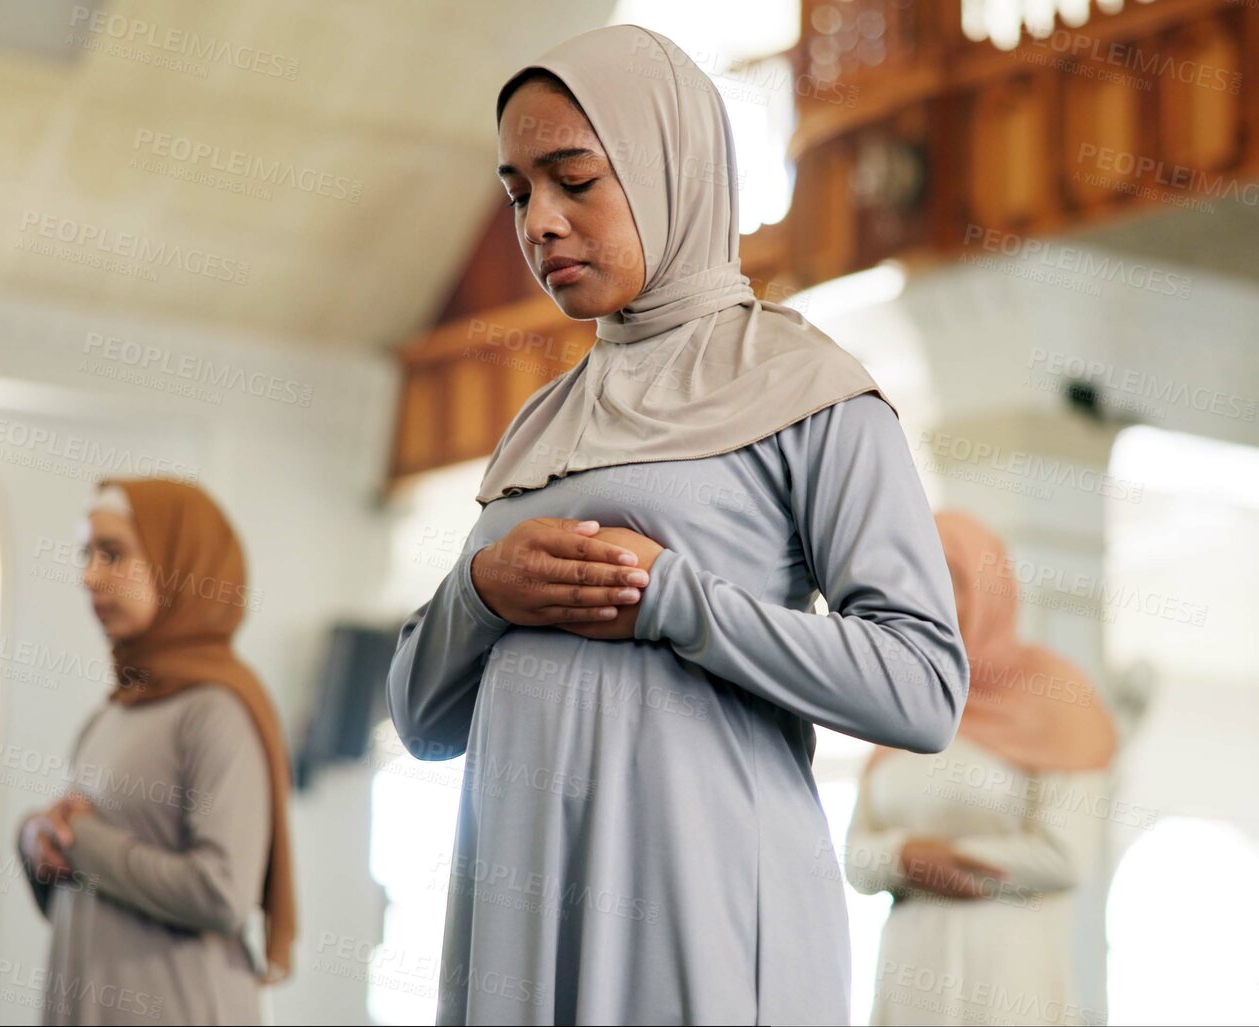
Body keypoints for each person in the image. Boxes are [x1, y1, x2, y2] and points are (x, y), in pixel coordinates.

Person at [386, 25, 969, 1025]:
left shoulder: (803, 385)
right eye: (519, 192)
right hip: (523, 926)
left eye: (574, 179)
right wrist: (480, 596)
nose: (541, 224)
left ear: (671, 170)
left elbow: (922, 688)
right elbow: (423, 719)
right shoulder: (539, 424)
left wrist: (678, 602)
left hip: (701, 905)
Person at [17, 478, 297, 1024]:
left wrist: (81, 843)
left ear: (181, 564)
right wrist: (36, 838)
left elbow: (222, 893)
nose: (90, 576)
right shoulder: (114, 711)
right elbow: (78, 888)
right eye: (87, 555)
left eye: (114, 554)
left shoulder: (216, 711)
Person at [847, 510, 1116, 1026]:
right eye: (919, 581)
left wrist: (947, 859)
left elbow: (1064, 858)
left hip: (1007, 976)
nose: (936, 603)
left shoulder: (1056, 699)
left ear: (992, 589)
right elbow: (855, 856)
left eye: (954, 581)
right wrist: (906, 855)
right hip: (909, 971)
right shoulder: (901, 699)